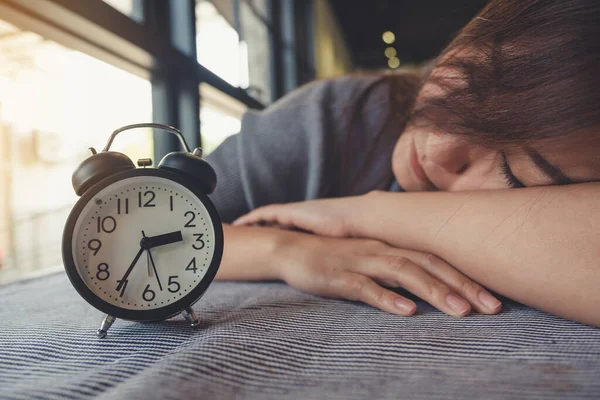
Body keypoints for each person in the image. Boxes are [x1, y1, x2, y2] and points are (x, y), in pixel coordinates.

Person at [206, 0, 600, 326]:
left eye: (512, 174)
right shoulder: (330, 120)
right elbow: (153, 226)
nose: (438, 148)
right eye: (475, 82)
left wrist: (371, 213)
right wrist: (286, 250)